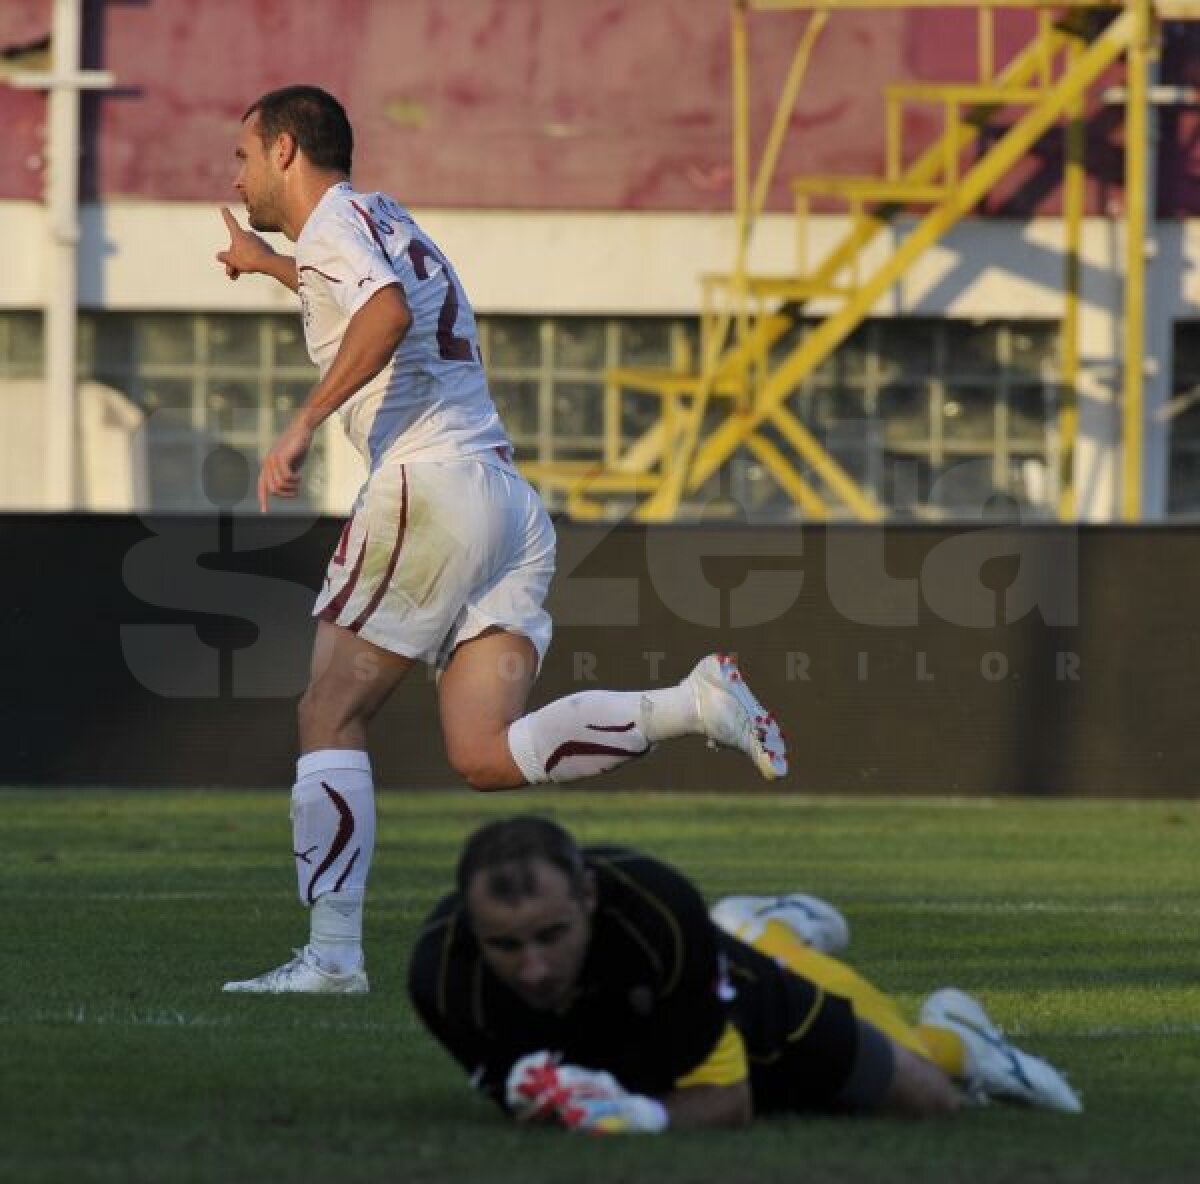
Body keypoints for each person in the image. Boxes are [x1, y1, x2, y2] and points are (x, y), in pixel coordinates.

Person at [215, 86, 788, 995]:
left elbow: (385, 314)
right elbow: (373, 295)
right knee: (484, 753)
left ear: (286, 150)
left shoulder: (331, 228)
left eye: (244, 155)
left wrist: (302, 424)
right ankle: (691, 706)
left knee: (329, 713)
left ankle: (331, 958)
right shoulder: (382, 218)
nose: (236, 175)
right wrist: (269, 266)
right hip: (505, 504)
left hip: (430, 488)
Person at [407, 816, 1083, 1132]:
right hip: (635, 1040)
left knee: (933, 1100)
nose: (533, 968)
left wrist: (638, 1115)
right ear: (471, 926)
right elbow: (524, 1107)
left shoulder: (658, 916)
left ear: (587, 896)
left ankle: (953, 1038)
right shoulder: (441, 978)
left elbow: (729, 1103)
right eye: (505, 945)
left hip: (748, 1011)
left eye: (552, 935)